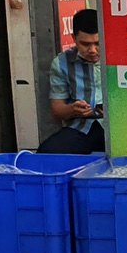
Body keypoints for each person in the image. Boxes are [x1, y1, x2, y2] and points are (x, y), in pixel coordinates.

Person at [42, 8, 105, 154]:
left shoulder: (120, 59)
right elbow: (57, 109)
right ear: (74, 38)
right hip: (80, 127)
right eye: (85, 44)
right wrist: (72, 110)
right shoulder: (62, 63)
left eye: (98, 43)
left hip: (117, 128)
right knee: (47, 153)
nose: (93, 50)